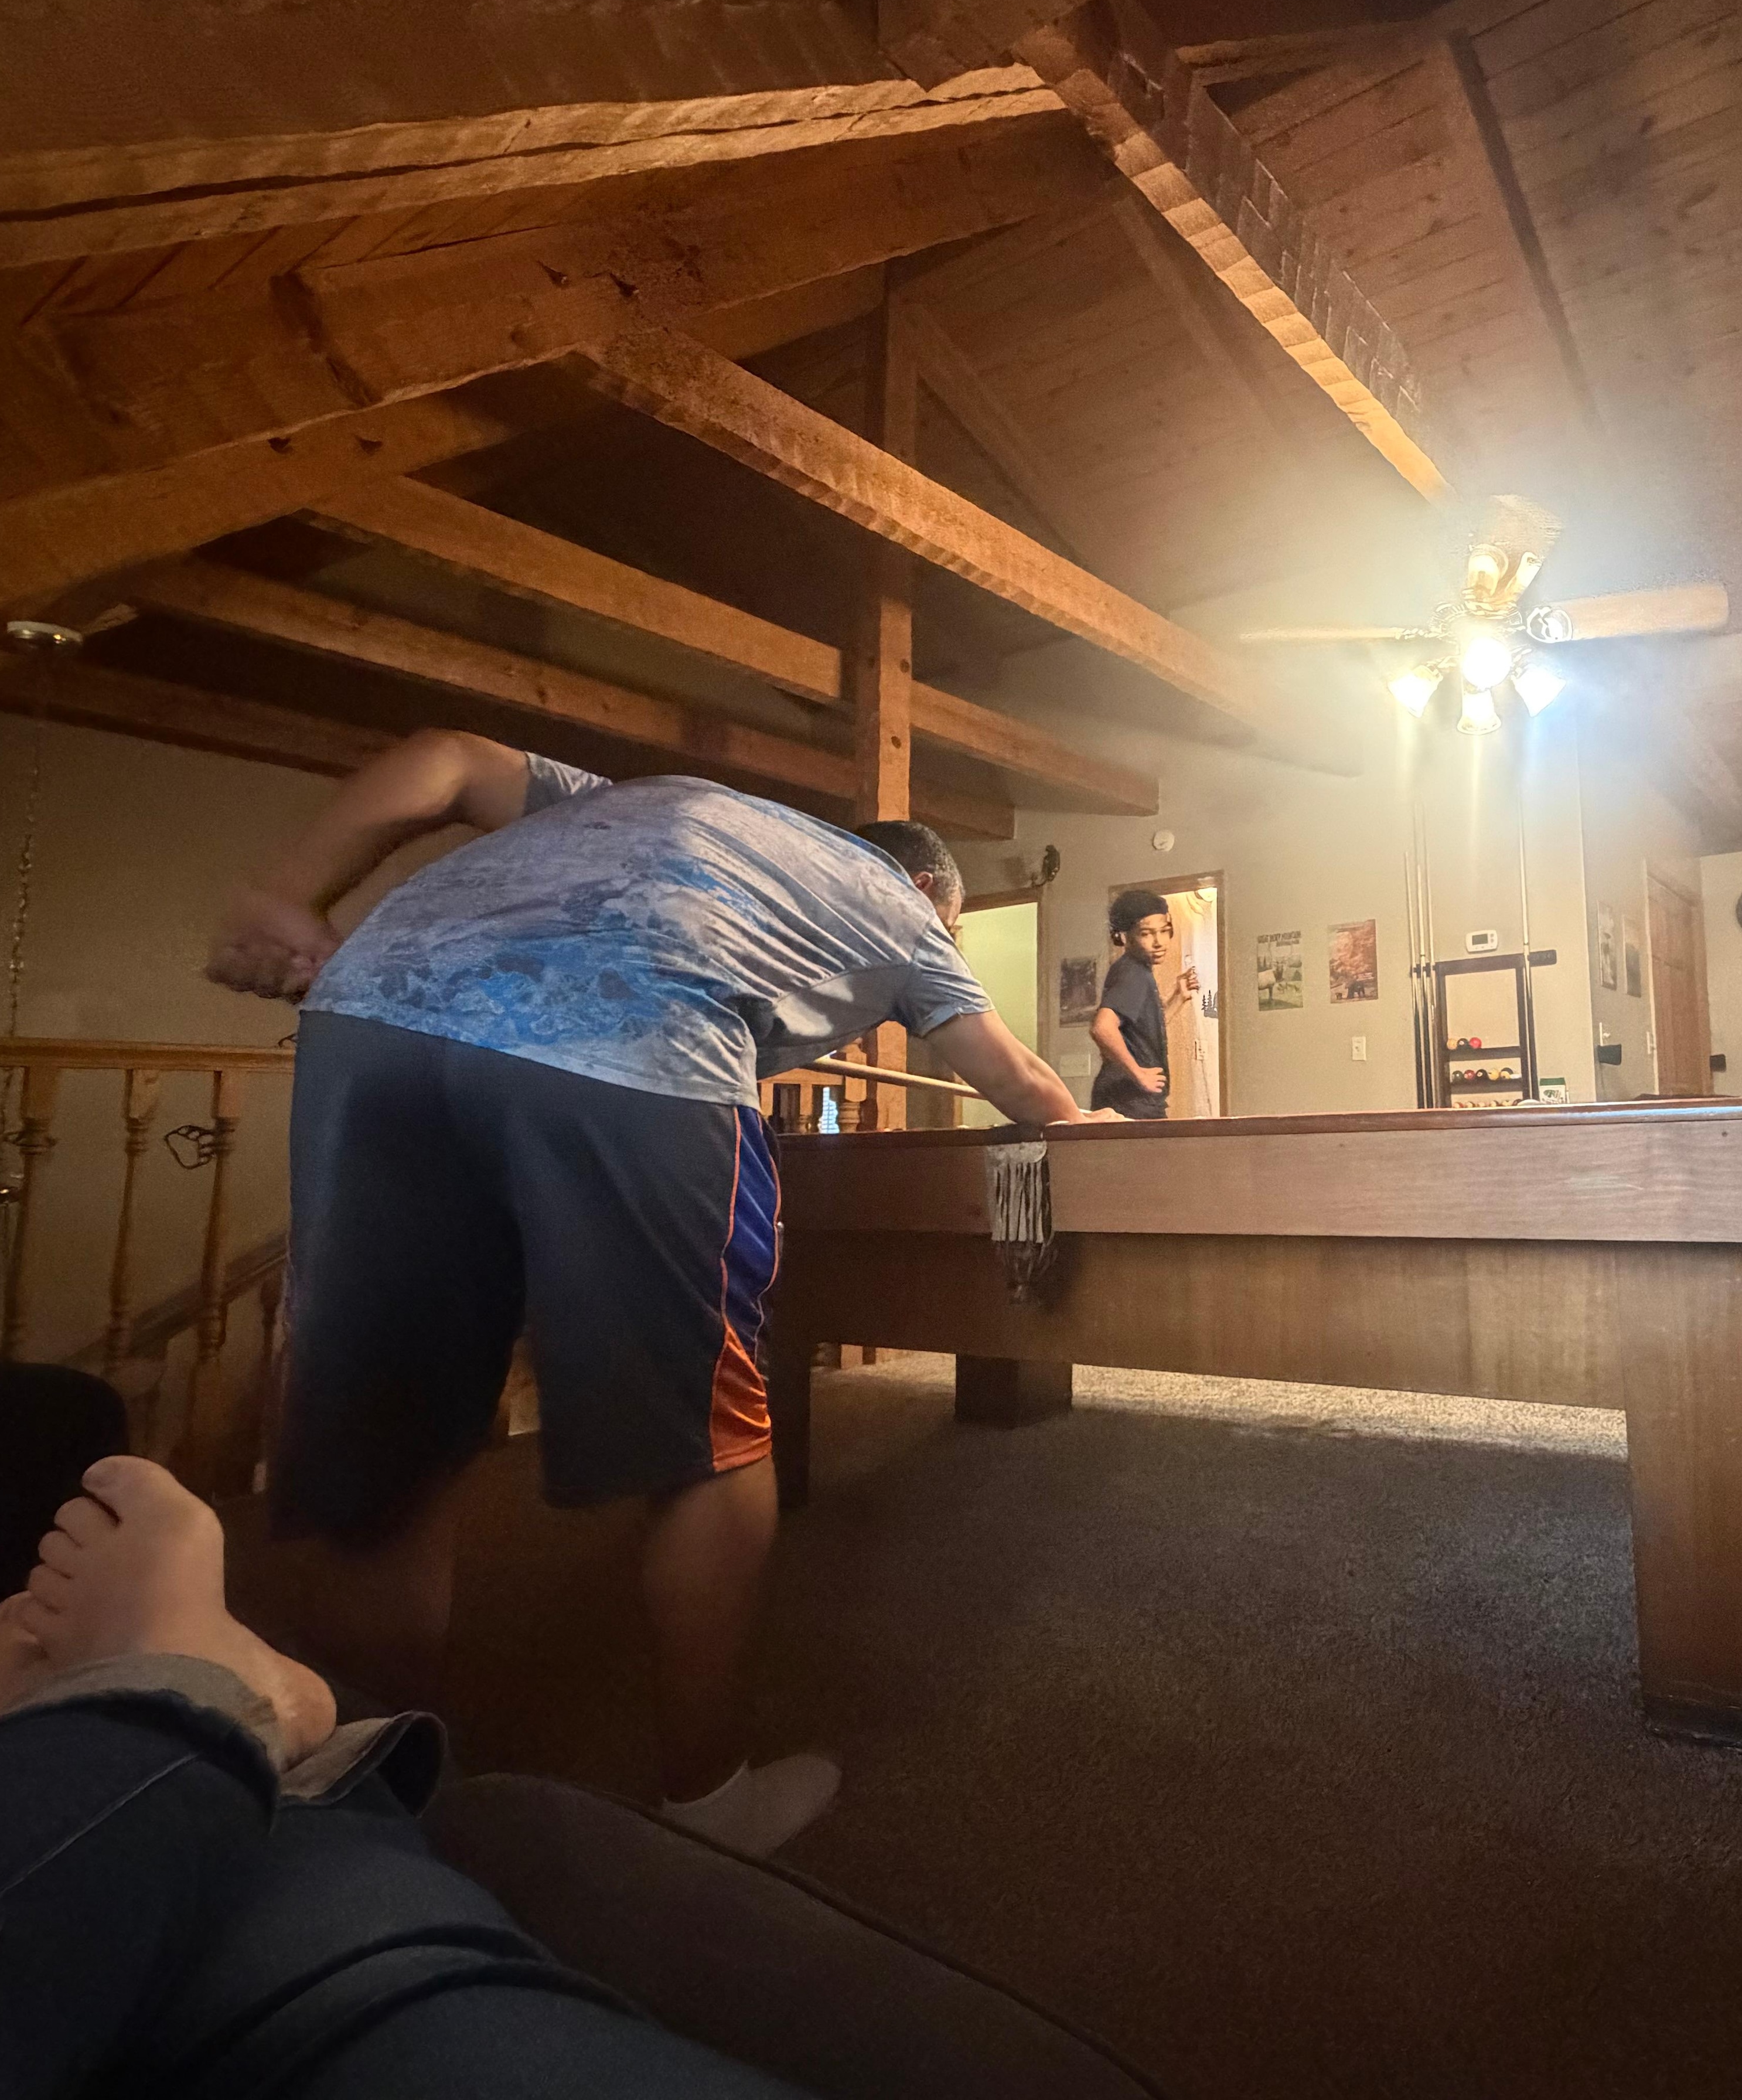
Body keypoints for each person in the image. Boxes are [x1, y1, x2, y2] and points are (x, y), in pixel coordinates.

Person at [204, 730, 1091, 1856]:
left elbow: (449, 759)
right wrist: (1091, 1137)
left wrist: (286, 892)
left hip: (371, 1018)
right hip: (635, 1042)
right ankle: (711, 1799)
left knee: (392, 1430)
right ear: (928, 889)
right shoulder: (907, 914)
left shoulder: (639, 800)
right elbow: (1021, 1081)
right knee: (706, 1439)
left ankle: (366, 1797)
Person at [0, 1455, 1153, 2099]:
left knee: (404, 1427)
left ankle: (180, 1734)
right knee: (709, 1430)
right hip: (628, 1080)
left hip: (386, 1062)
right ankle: (203, 1720)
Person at [1089, 890, 1197, 1122]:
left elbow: (1141, 1033)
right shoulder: (1133, 973)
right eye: (1147, 934)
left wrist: (1179, 998)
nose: (1159, 942)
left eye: (1164, 931)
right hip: (1129, 1101)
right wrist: (1139, 1074)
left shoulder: (1135, 970)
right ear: (1124, 937)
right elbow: (1102, 1028)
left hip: (1132, 1100)